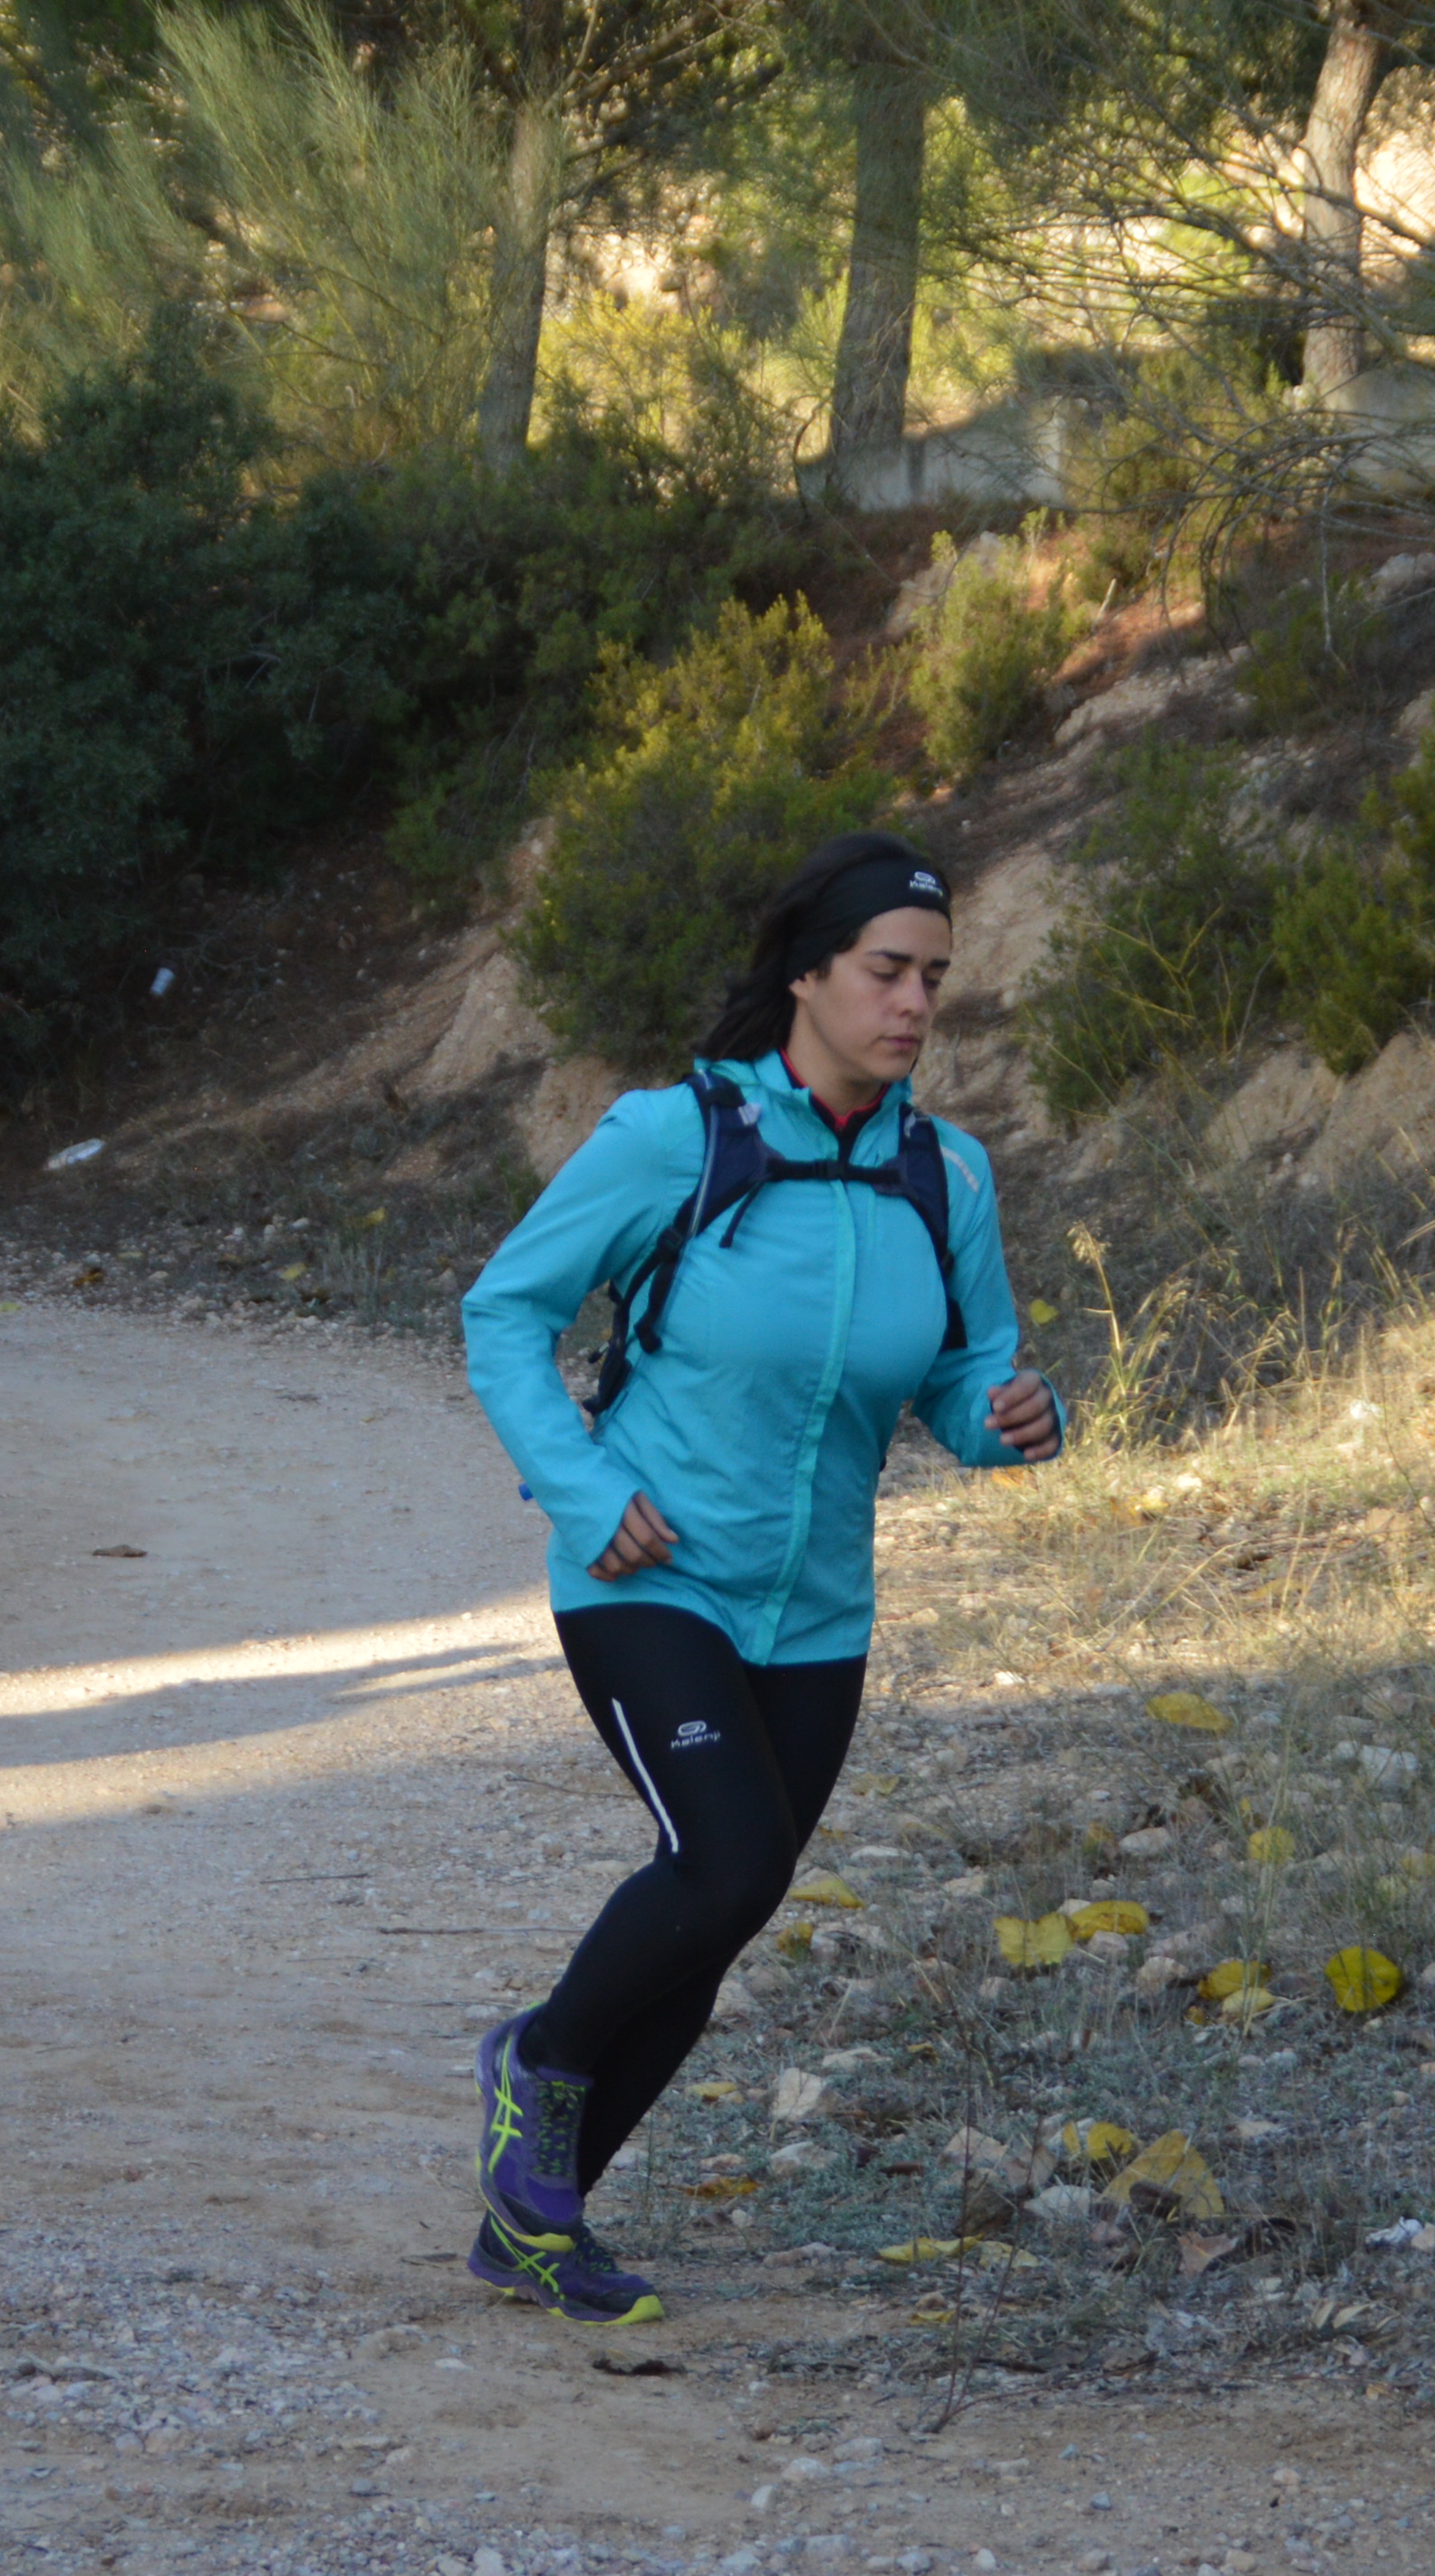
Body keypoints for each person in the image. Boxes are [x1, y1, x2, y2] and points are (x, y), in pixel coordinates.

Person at [453, 829, 1066, 2325]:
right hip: (650, 1579)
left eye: (934, 979)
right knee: (725, 1863)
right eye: (886, 971)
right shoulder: (675, 1138)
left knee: (723, 1911)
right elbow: (504, 1311)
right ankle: (538, 2061)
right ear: (807, 973)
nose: (914, 1004)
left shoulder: (946, 1175)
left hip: (819, 1613)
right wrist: (586, 1491)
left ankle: (536, 2220)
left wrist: (1007, 1418)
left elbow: (963, 1372)